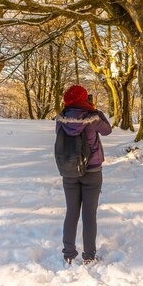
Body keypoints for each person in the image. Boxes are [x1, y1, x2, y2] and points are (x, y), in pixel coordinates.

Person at [56, 84, 112, 265]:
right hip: (92, 170)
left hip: (69, 171)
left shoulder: (61, 118)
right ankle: (89, 255)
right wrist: (95, 111)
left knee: (71, 212)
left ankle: (68, 254)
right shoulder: (92, 117)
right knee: (89, 214)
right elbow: (107, 130)